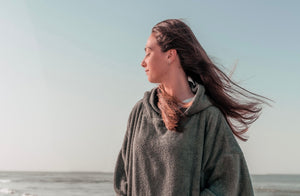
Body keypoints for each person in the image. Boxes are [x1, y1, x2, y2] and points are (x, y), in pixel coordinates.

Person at [114, 19, 269, 196]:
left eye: (149, 53)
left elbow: (229, 183)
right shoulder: (140, 112)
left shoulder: (208, 117)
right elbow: (123, 179)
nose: (143, 62)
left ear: (170, 55)